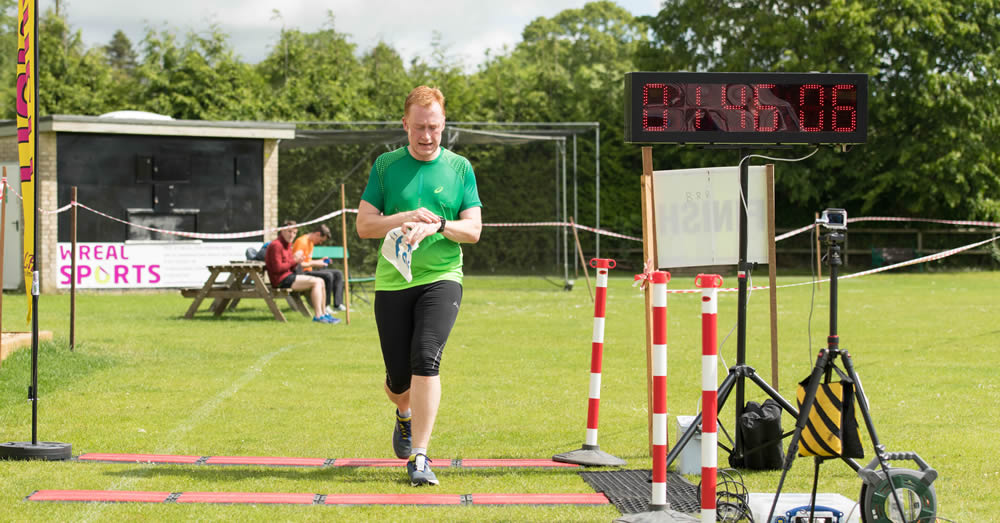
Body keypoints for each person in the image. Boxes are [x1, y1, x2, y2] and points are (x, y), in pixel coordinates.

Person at [356, 85, 482, 486]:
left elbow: (474, 230)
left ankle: (420, 457)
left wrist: (439, 225)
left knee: (427, 358)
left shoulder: (460, 168)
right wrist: (405, 215)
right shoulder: (385, 167)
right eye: (419, 128)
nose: (427, 137)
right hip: (393, 282)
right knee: (398, 381)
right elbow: (363, 226)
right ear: (405, 124)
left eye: (435, 128)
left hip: (442, 278)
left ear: (444, 125)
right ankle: (403, 413)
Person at [265, 220, 340, 325]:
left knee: (321, 281)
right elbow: (277, 268)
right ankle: (318, 316)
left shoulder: (287, 245)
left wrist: (297, 261)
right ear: (282, 231)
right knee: (317, 282)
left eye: (294, 233)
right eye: (289, 231)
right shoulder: (276, 245)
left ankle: (324, 314)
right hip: (280, 280)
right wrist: (294, 261)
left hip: (289, 276)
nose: (292, 235)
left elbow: (290, 264)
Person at [292, 224, 346, 315]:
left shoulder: (311, 243)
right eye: (321, 240)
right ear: (317, 234)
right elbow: (297, 263)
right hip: (301, 273)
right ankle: (325, 305)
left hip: (309, 270)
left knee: (338, 273)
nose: (320, 243)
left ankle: (338, 304)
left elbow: (307, 260)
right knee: (328, 276)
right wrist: (315, 263)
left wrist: (320, 261)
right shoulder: (302, 242)